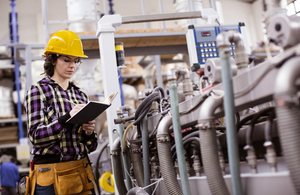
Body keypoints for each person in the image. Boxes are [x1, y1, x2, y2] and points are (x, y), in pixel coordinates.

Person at [24, 30, 98, 195]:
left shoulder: (80, 95)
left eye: (76, 61)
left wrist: (89, 133)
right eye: (66, 60)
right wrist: (66, 118)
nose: (72, 65)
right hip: (49, 177)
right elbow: (36, 137)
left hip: (81, 172)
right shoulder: (38, 91)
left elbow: (91, 146)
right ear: (52, 60)